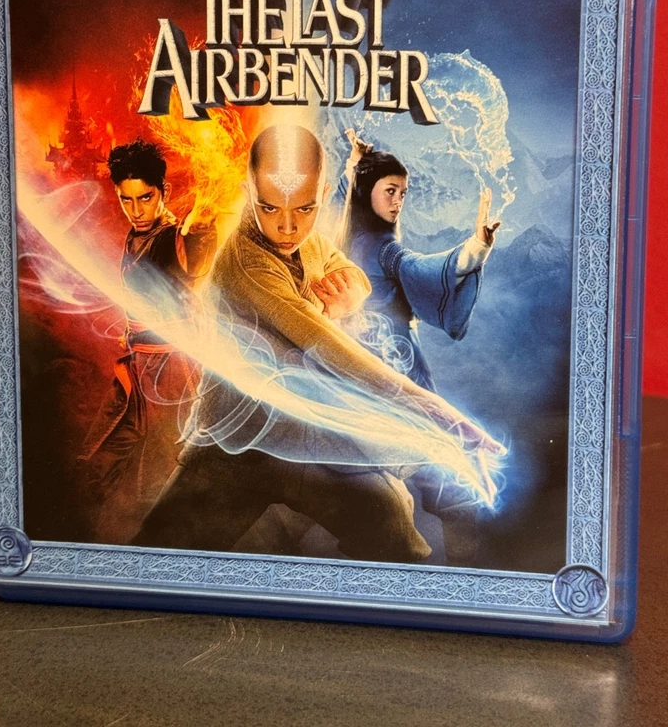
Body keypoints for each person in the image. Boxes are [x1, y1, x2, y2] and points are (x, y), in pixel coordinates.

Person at [133, 124, 504, 564]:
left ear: (323, 195)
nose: (288, 226)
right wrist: (443, 417)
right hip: (239, 444)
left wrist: (346, 299)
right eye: (270, 207)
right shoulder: (246, 265)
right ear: (248, 192)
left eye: (305, 208)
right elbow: (334, 352)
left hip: (311, 438)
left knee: (395, 537)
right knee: (157, 558)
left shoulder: (307, 243)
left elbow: (352, 273)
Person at [78, 139, 217, 520]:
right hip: (139, 365)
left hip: (170, 373)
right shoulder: (135, 233)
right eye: (127, 199)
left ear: (163, 191)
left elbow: (193, 258)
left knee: (161, 472)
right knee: (99, 455)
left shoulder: (174, 238)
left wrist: (200, 233)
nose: (136, 210)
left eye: (146, 198)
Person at [339, 129, 499, 391]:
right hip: (395, 356)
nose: (398, 202)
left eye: (402, 193)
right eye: (390, 191)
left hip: (360, 352)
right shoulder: (381, 248)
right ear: (366, 191)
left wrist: (356, 164)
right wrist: (478, 247)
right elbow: (424, 269)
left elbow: (345, 196)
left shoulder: (351, 229)